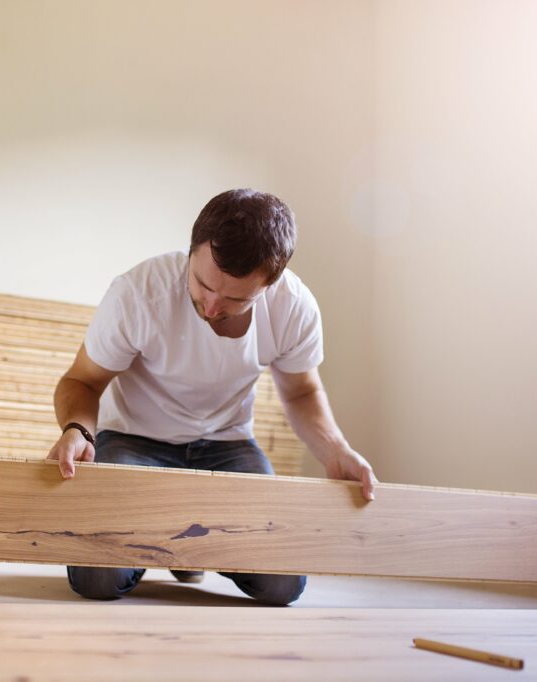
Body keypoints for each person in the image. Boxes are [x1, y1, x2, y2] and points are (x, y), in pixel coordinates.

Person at [46, 188, 377, 605]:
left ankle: (179, 538)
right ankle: (178, 538)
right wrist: (78, 431)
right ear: (191, 251)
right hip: (134, 440)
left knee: (282, 585)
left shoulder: (294, 307)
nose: (213, 307)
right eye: (203, 285)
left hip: (227, 445)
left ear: (270, 284)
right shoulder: (138, 292)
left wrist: (335, 450)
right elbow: (82, 382)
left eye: (236, 298)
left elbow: (301, 392)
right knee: (98, 580)